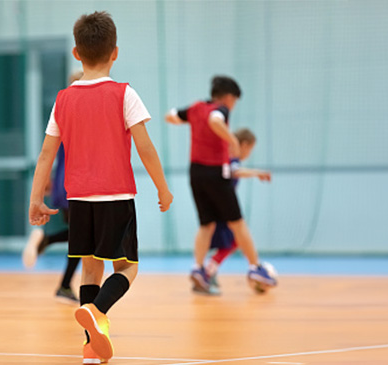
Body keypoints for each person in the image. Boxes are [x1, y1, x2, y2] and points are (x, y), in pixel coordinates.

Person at [28, 11, 172, 364]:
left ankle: (91, 347)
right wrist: (162, 188)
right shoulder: (124, 94)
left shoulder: (62, 100)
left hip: (78, 199)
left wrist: (35, 199)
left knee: (89, 269)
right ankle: (98, 312)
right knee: (127, 268)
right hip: (116, 197)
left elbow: (47, 153)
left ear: (76, 53)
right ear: (115, 52)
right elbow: (145, 147)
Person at [165, 76, 276, 295]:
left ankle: (198, 269)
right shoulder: (221, 110)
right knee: (237, 224)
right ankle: (255, 267)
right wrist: (232, 141)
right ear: (228, 97)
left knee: (207, 224)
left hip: (195, 172)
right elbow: (215, 121)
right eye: (234, 100)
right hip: (216, 171)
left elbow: (170, 116)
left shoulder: (196, 108)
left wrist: (191, 121)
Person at [22, 71, 84, 305]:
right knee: (83, 238)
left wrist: (47, 182)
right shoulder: (81, 115)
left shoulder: (61, 113)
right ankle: (47, 244)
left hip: (62, 182)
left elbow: (49, 152)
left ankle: (65, 285)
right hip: (77, 183)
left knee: (80, 237)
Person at [197, 128, 271, 295]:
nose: (249, 153)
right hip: (222, 208)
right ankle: (207, 271)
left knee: (233, 241)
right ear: (244, 145)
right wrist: (257, 173)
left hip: (216, 206)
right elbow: (236, 171)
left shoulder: (224, 157)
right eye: (250, 149)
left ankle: (208, 270)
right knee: (235, 239)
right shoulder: (231, 159)